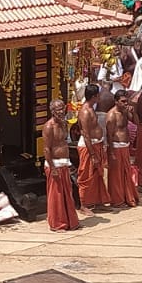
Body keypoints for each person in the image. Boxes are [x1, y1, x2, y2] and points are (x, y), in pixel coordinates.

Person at [42, 99, 79, 232]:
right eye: (58, 109)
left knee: (67, 193)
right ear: (52, 111)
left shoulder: (64, 123)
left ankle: (70, 221)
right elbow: (46, 149)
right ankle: (57, 224)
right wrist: (52, 168)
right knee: (56, 195)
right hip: (54, 165)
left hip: (64, 163)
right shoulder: (48, 127)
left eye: (62, 108)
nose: (61, 111)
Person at [76, 84, 109, 212]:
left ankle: (98, 201)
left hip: (97, 144)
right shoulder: (85, 111)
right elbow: (85, 134)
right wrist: (93, 155)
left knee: (98, 174)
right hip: (88, 147)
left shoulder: (91, 108)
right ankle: (84, 204)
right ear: (95, 96)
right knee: (86, 175)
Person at [105, 94, 139, 209]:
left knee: (126, 173)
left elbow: (136, 122)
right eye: (123, 101)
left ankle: (127, 197)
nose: (125, 103)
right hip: (116, 147)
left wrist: (133, 112)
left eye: (126, 101)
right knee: (116, 176)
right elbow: (109, 135)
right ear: (116, 101)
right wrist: (112, 153)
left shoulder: (125, 112)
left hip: (125, 146)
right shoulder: (111, 115)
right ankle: (117, 200)